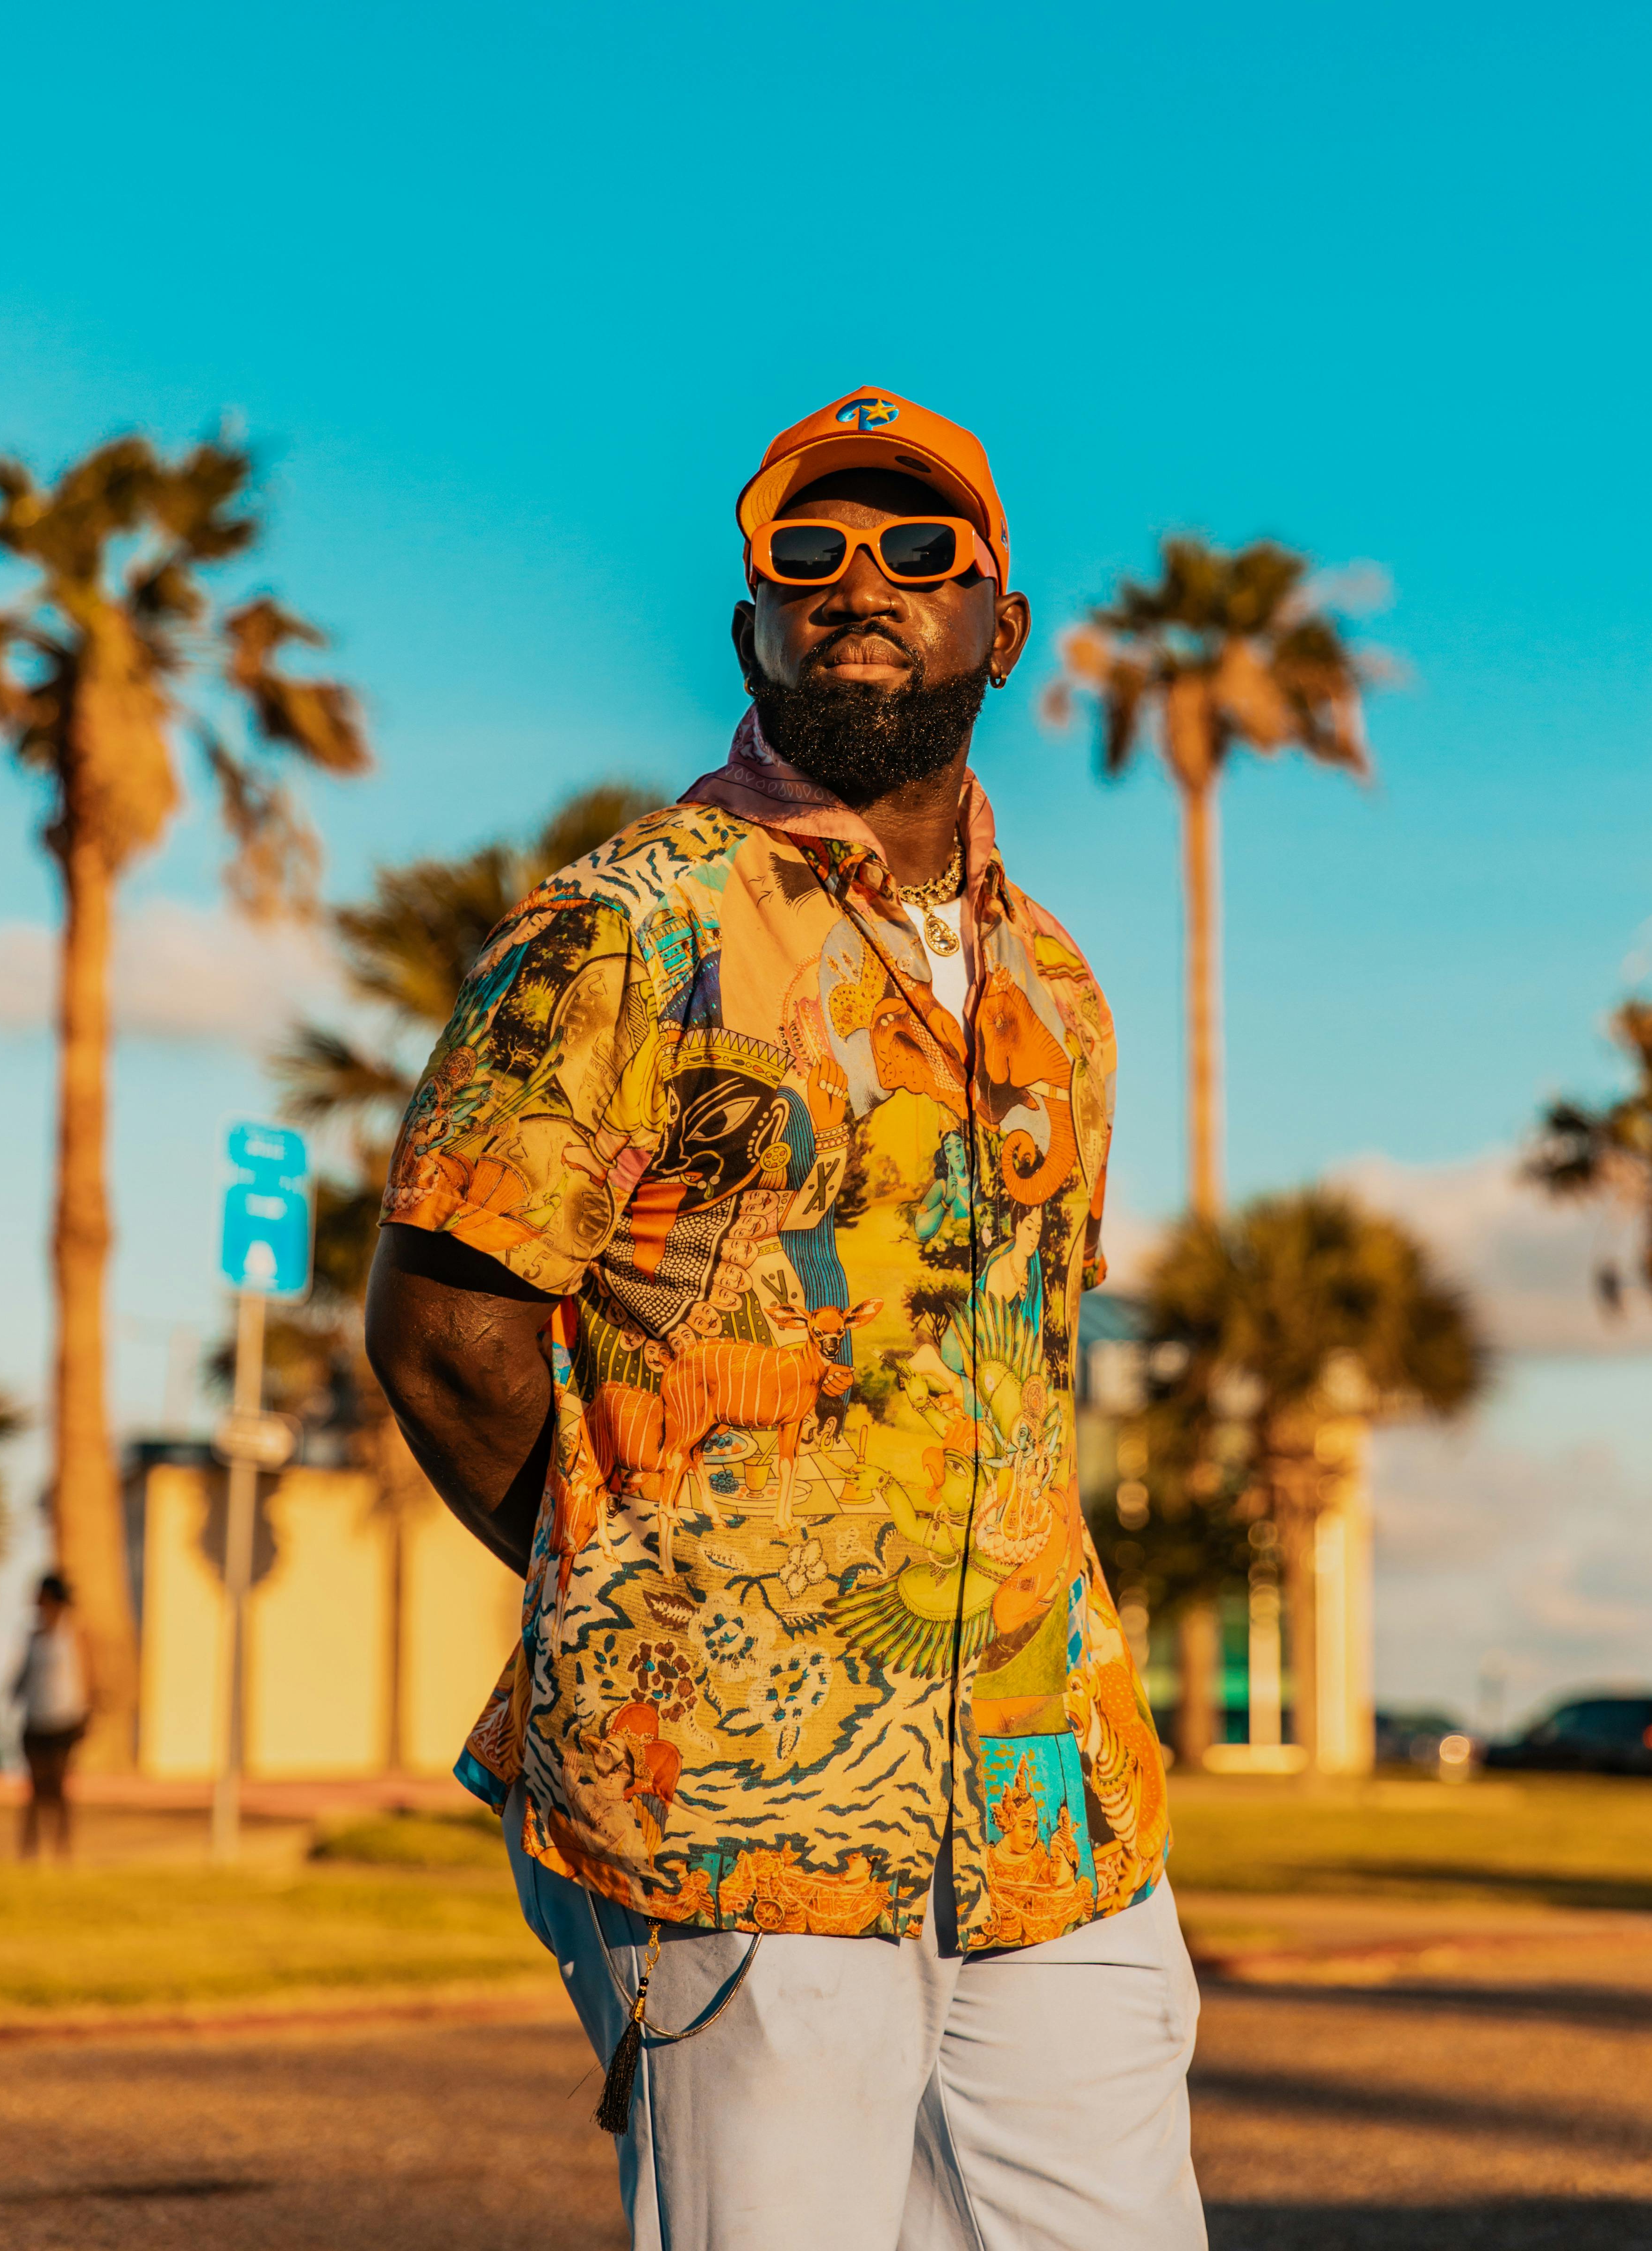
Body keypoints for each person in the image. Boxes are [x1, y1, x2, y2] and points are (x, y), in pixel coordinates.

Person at [367, 386, 1205, 2250]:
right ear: (749, 621)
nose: (858, 585)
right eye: (804, 556)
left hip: (1052, 1794)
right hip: (728, 1795)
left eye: (920, 551)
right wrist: (658, 1579)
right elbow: (443, 1332)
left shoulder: (1056, 984)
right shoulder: (625, 924)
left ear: (1002, 622)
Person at [11, 1572, 90, 1860]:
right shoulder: (32, 1637)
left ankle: (64, 1852)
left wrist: (88, 1713)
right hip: (35, 1722)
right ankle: (28, 1853)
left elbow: (87, 1676)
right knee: (34, 1790)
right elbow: (23, 1678)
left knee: (60, 1789)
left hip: (65, 1722)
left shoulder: (74, 1635)